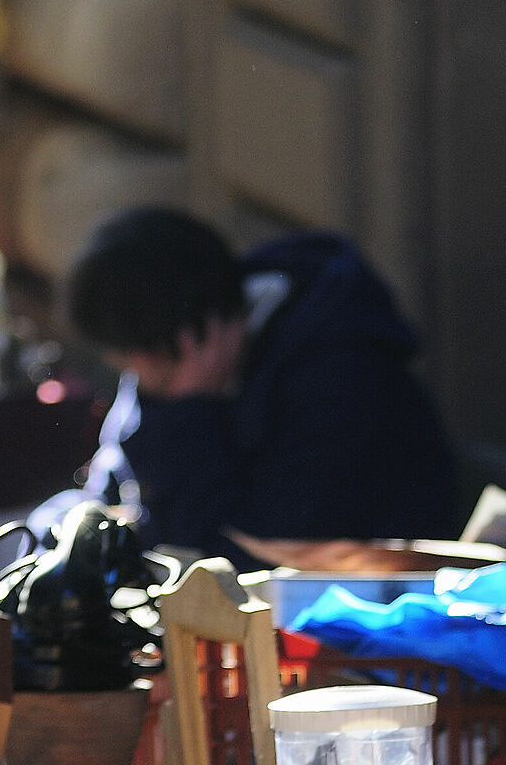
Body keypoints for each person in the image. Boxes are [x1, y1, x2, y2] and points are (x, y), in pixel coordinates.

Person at [59, 207, 461, 562]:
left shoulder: (339, 380)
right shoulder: (174, 357)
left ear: (178, 342)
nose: (131, 373)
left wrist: (191, 415)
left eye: (132, 358)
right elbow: (107, 495)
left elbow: (237, 559)